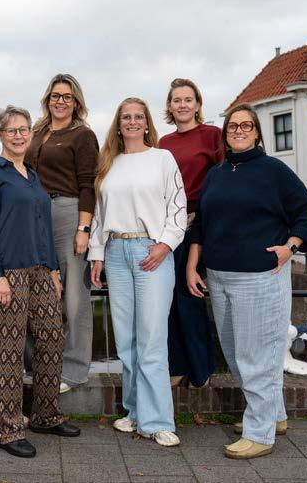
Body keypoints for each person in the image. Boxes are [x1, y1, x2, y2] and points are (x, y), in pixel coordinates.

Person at [186, 103, 307, 459]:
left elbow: (306, 212)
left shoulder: (275, 171)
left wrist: (291, 247)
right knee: (234, 353)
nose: (239, 131)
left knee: (257, 355)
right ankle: (273, 415)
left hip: (260, 277)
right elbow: (201, 224)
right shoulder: (216, 174)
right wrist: (193, 265)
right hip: (220, 276)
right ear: (225, 132)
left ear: (257, 132)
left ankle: (259, 433)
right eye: (233, 126)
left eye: (246, 125)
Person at [0, 105, 81, 459]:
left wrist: (53, 270)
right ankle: (8, 430)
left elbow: (44, 227)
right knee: (9, 349)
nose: (18, 135)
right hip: (9, 272)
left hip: (40, 271)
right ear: (0, 135)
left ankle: (46, 415)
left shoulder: (33, 176)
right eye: (12, 130)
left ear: (31, 134)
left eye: (24, 130)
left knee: (51, 338)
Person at [89, 98, 186, 447]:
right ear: (118, 124)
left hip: (151, 250)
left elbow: (178, 206)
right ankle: (134, 412)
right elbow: (99, 214)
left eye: (138, 117)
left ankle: (158, 421)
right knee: (126, 339)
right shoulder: (108, 163)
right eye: (126, 117)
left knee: (151, 339)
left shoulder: (162, 158)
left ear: (146, 124)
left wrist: (165, 244)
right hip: (115, 251)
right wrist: (97, 255)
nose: (132, 121)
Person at [25, 74, 99, 393]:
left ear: (76, 102)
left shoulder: (83, 135)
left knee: (74, 296)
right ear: (47, 99)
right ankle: (37, 366)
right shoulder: (36, 132)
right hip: (33, 215)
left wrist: (84, 228)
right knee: (34, 290)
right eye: (55, 95)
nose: (60, 101)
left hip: (68, 213)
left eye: (67, 96)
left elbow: (88, 185)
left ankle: (75, 369)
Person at [159, 78, 222, 388]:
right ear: (169, 107)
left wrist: (199, 214)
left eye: (188, 99)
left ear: (197, 104)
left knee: (189, 294)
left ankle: (201, 368)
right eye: (176, 100)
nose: (182, 105)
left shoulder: (213, 136)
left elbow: (222, 179)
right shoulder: (163, 143)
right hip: (171, 224)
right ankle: (177, 365)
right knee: (168, 298)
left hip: (201, 221)